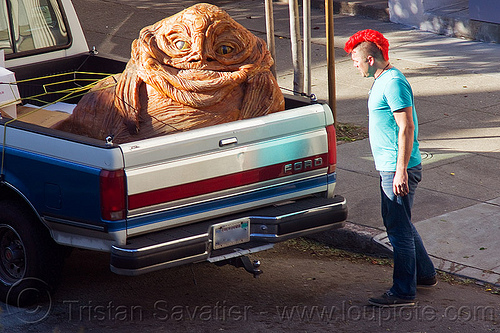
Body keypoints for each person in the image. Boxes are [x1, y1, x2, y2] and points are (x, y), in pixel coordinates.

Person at [344, 29, 437, 307]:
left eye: (355, 60)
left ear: (370, 59)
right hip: (392, 167)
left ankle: (403, 291)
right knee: (401, 224)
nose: (354, 65)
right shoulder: (382, 79)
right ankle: (426, 274)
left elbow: (406, 126)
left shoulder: (393, 82)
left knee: (397, 230)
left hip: (398, 169)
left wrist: (400, 171)